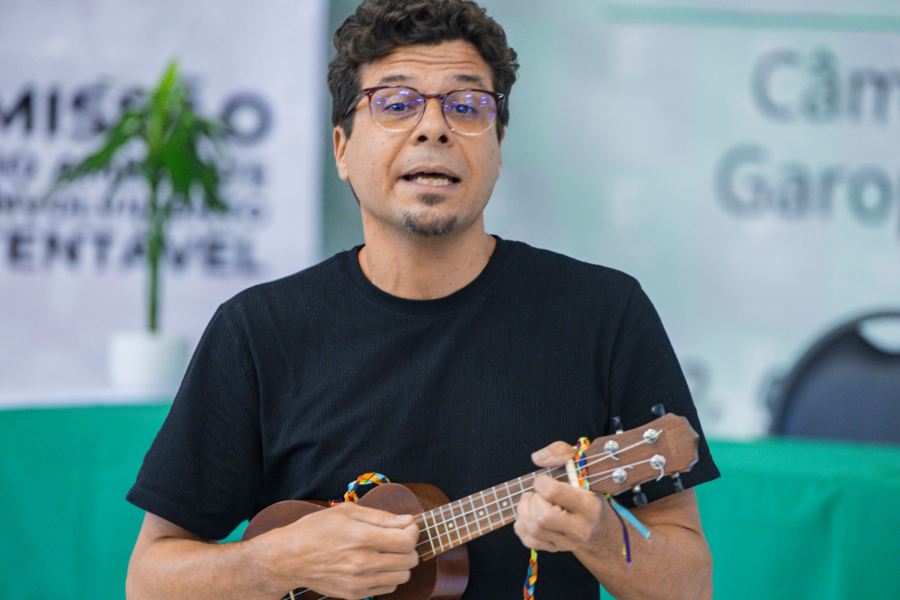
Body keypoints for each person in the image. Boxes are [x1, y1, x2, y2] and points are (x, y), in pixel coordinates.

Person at [125, 1, 720, 599]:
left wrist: (601, 535)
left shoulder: (603, 312)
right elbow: (148, 582)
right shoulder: (259, 329)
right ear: (341, 149)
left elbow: (690, 586)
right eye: (395, 103)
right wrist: (279, 561)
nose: (433, 127)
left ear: (498, 145)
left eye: (466, 106)